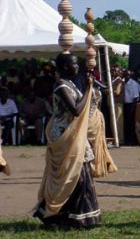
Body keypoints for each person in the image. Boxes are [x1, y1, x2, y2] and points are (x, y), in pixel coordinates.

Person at [34, 53, 101, 228]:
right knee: (70, 173)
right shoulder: (60, 86)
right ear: (65, 67)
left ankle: (79, 216)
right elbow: (76, 110)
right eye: (75, 65)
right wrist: (88, 89)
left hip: (75, 133)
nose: (77, 67)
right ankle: (59, 216)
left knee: (82, 170)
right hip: (63, 134)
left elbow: (87, 106)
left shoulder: (71, 84)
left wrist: (93, 90)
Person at [87, 81, 118, 178]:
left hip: (90, 117)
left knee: (92, 143)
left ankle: (94, 167)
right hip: (97, 116)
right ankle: (97, 166)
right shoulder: (98, 92)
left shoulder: (89, 91)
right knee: (97, 142)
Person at [123, 70, 140, 146]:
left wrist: (133, 108)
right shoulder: (123, 83)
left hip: (131, 105)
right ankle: (127, 140)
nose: (127, 77)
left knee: (131, 124)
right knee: (127, 124)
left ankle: (132, 141)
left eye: (128, 75)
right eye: (125, 75)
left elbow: (136, 97)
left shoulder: (133, 84)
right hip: (125, 105)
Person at [111, 67, 124, 145]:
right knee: (113, 121)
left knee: (118, 121)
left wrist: (108, 90)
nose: (113, 72)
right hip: (113, 103)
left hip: (117, 104)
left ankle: (120, 139)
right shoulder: (113, 81)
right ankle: (116, 138)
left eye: (115, 70)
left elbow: (117, 92)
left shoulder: (119, 81)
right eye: (112, 70)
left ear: (119, 72)